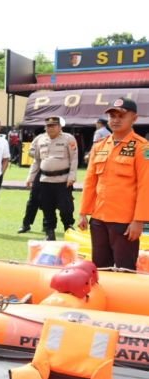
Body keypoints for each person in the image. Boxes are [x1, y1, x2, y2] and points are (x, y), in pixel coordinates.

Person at [78, 97, 149, 270]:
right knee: (100, 269)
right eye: (112, 116)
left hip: (125, 221)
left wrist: (139, 220)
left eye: (121, 116)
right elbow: (90, 182)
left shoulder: (143, 147)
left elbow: (145, 186)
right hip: (98, 219)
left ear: (134, 118)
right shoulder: (99, 146)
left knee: (125, 270)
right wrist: (83, 213)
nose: (115, 120)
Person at [26, 116, 79, 240]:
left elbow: (74, 158)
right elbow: (37, 161)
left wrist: (72, 176)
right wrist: (30, 177)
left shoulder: (68, 139)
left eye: (53, 126)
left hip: (63, 180)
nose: (50, 128)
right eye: (48, 126)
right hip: (45, 180)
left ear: (59, 127)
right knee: (47, 207)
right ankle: (50, 232)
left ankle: (68, 228)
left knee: (66, 208)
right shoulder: (41, 140)